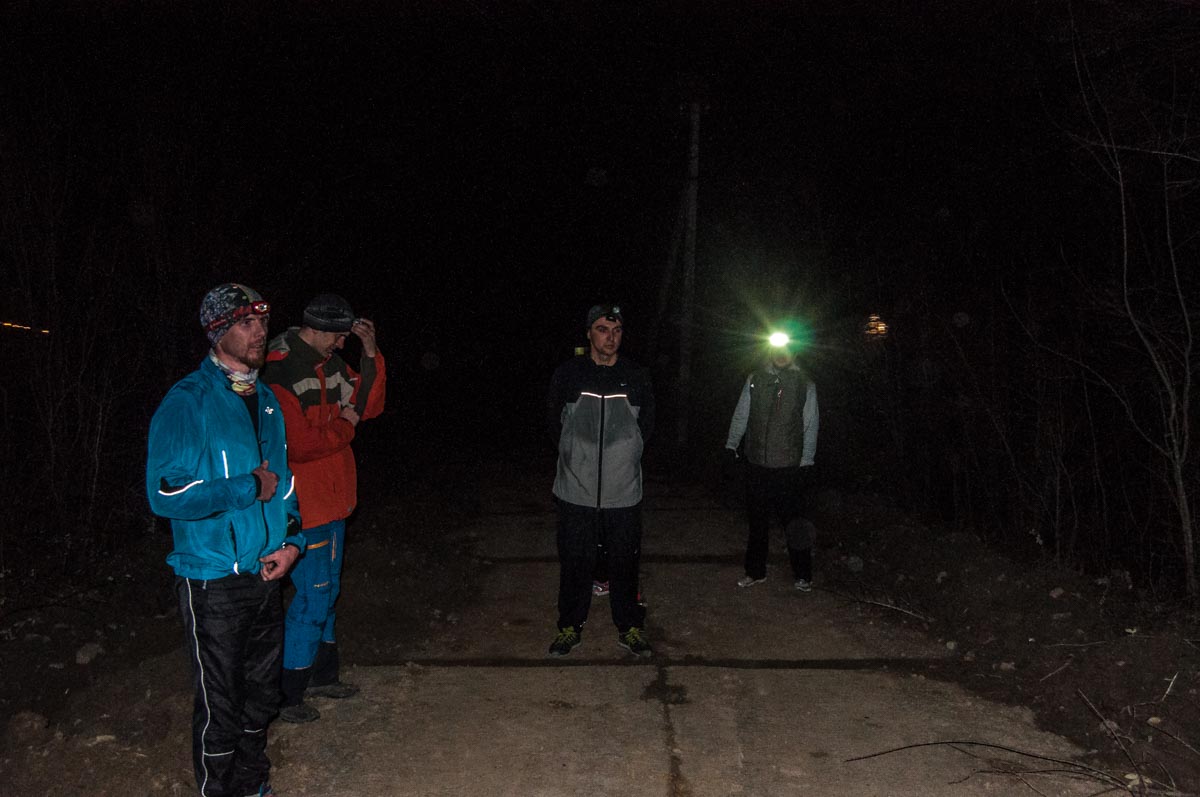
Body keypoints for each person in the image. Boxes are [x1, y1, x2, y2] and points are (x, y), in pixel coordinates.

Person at [147, 283, 305, 797]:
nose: (259, 332)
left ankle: (252, 785)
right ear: (217, 333)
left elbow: (284, 484)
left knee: (262, 697)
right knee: (222, 707)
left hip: (264, 574)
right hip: (212, 581)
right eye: (245, 323)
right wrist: (245, 487)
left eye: (262, 321)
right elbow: (165, 493)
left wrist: (292, 542)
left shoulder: (267, 401)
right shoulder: (188, 401)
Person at [262, 293, 386, 723]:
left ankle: (322, 675)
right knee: (313, 596)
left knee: (327, 592)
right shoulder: (280, 370)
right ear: (315, 328)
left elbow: (370, 405)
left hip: (334, 500)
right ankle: (287, 694)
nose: (341, 343)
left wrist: (370, 354)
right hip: (304, 505)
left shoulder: (328, 364)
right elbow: (299, 445)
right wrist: (345, 425)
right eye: (338, 335)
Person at [546, 303, 655, 657]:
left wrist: (625, 454)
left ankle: (629, 626)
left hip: (623, 492)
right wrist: (575, 456)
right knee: (575, 562)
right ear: (589, 333)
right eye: (603, 330)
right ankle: (569, 627)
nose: (611, 338)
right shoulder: (569, 374)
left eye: (617, 330)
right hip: (575, 490)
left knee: (625, 563)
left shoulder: (636, 375)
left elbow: (647, 426)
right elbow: (554, 422)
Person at [724, 333, 819, 591]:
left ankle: (803, 575)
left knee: (794, 524)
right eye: (777, 348)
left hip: (789, 467)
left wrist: (806, 460)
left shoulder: (805, 384)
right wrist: (731, 445)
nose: (781, 354)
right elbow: (741, 414)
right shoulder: (755, 379)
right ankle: (755, 572)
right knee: (757, 523)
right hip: (757, 463)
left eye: (787, 349)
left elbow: (811, 424)